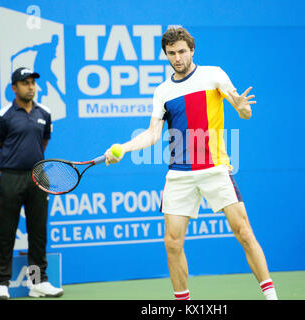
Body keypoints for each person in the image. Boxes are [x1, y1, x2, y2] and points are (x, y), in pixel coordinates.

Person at [104, 27, 278, 300]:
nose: (178, 58)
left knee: (243, 231)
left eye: (182, 51)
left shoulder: (214, 75)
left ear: (192, 50)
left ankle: (271, 296)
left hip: (215, 168)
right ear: (165, 55)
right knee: (172, 243)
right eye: (171, 53)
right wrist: (123, 149)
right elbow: (152, 135)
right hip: (180, 174)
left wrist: (243, 107)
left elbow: (243, 112)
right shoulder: (162, 91)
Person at [0, 67, 63, 300]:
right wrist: (10, 170)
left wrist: (31, 167)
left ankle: (37, 282)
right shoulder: (3, 116)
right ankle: (1, 284)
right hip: (11, 178)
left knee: (38, 233)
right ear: (14, 88)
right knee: (7, 232)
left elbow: (43, 143)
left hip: (38, 177)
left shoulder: (45, 113)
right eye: (25, 83)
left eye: (32, 82)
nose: (30, 86)